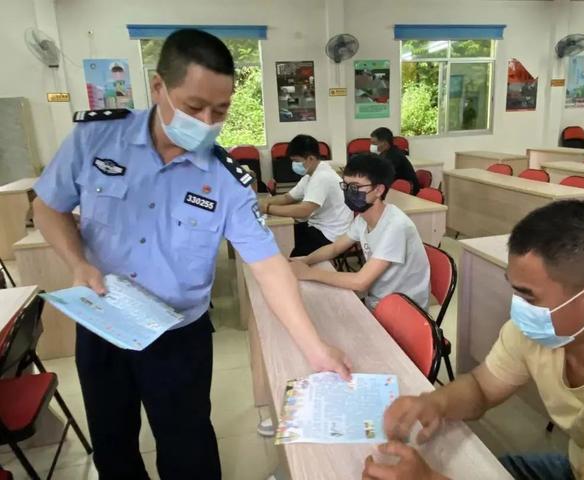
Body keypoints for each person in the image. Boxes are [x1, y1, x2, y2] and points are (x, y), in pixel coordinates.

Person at [33, 29, 350, 480]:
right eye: (193, 106)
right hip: (105, 323)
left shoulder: (224, 177)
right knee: (112, 442)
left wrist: (315, 350)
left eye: (219, 111)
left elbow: (269, 267)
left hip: (178, 334)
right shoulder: (95, 139)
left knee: (188, 449)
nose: (205, 122)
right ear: (159, 86)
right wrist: (77, 263)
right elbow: (47, 205)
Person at [365, 201, 584, 480]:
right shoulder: (536, 331)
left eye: (529, 296)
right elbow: (482, 388)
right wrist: (436, 402)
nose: (519, 307)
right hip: (576, 467)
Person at [289, 153, 430, 311]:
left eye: (355, 187)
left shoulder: (396, 226)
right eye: (346, 186)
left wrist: (308, 273)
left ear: (378, 190)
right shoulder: (362, 219)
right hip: (379, 300)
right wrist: (305, 261)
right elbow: (335, 248)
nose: (349, 192)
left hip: (405, 311)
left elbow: (360, 281)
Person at [259, 134, 352, 257]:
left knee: (291, 253)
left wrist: (267, 208)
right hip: (317, 226)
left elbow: (304, 211)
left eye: (296, 161)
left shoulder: (322, 177)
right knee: (281, 237)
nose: (293, 164)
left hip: (332, 234)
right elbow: (288, 197)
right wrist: (262, 202)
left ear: (311, 159)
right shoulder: (310, 175)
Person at [370, 127, 420, 195]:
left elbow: (383, 175)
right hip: (395, 189)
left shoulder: (395, 156)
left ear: (384, 143)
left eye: (374, 143)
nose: (372, 146)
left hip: (408, 191)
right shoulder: (382, 154)